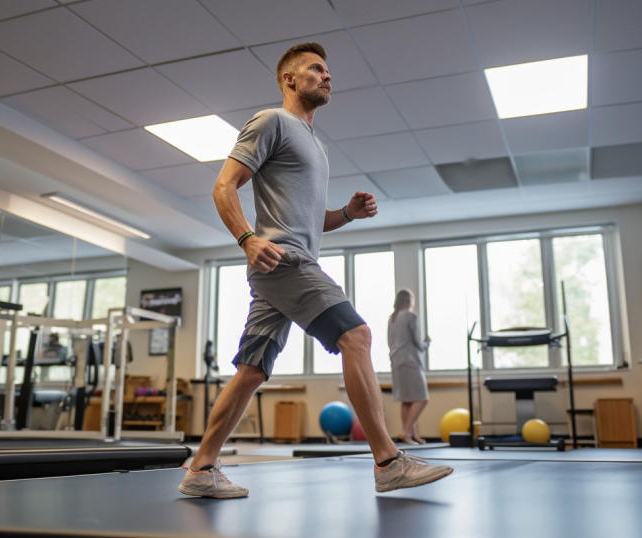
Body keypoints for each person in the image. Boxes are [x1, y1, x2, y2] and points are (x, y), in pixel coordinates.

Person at [178, 42, 452, 498]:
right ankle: (388, 461)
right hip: (285, 262)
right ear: (290, 79)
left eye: (327, 71)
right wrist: (248, 239)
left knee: (251, 370)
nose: (327, 76)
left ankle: (200, 469)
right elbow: (224, 185)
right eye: (316, 69)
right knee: (357, 336)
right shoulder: (272, 122)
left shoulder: (317, 146)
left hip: (285, 267)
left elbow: (309, 218)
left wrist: (345, 213)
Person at [387, 289, 430, 445]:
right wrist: (427, 343)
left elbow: (390, 343)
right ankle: (405, 432)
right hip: (410, 361)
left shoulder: (392, 318)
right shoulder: (411, 316)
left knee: (406, 400)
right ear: (408, 301)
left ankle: (412, 435)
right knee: (422, 398)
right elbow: (418, 344)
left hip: (397, 361)